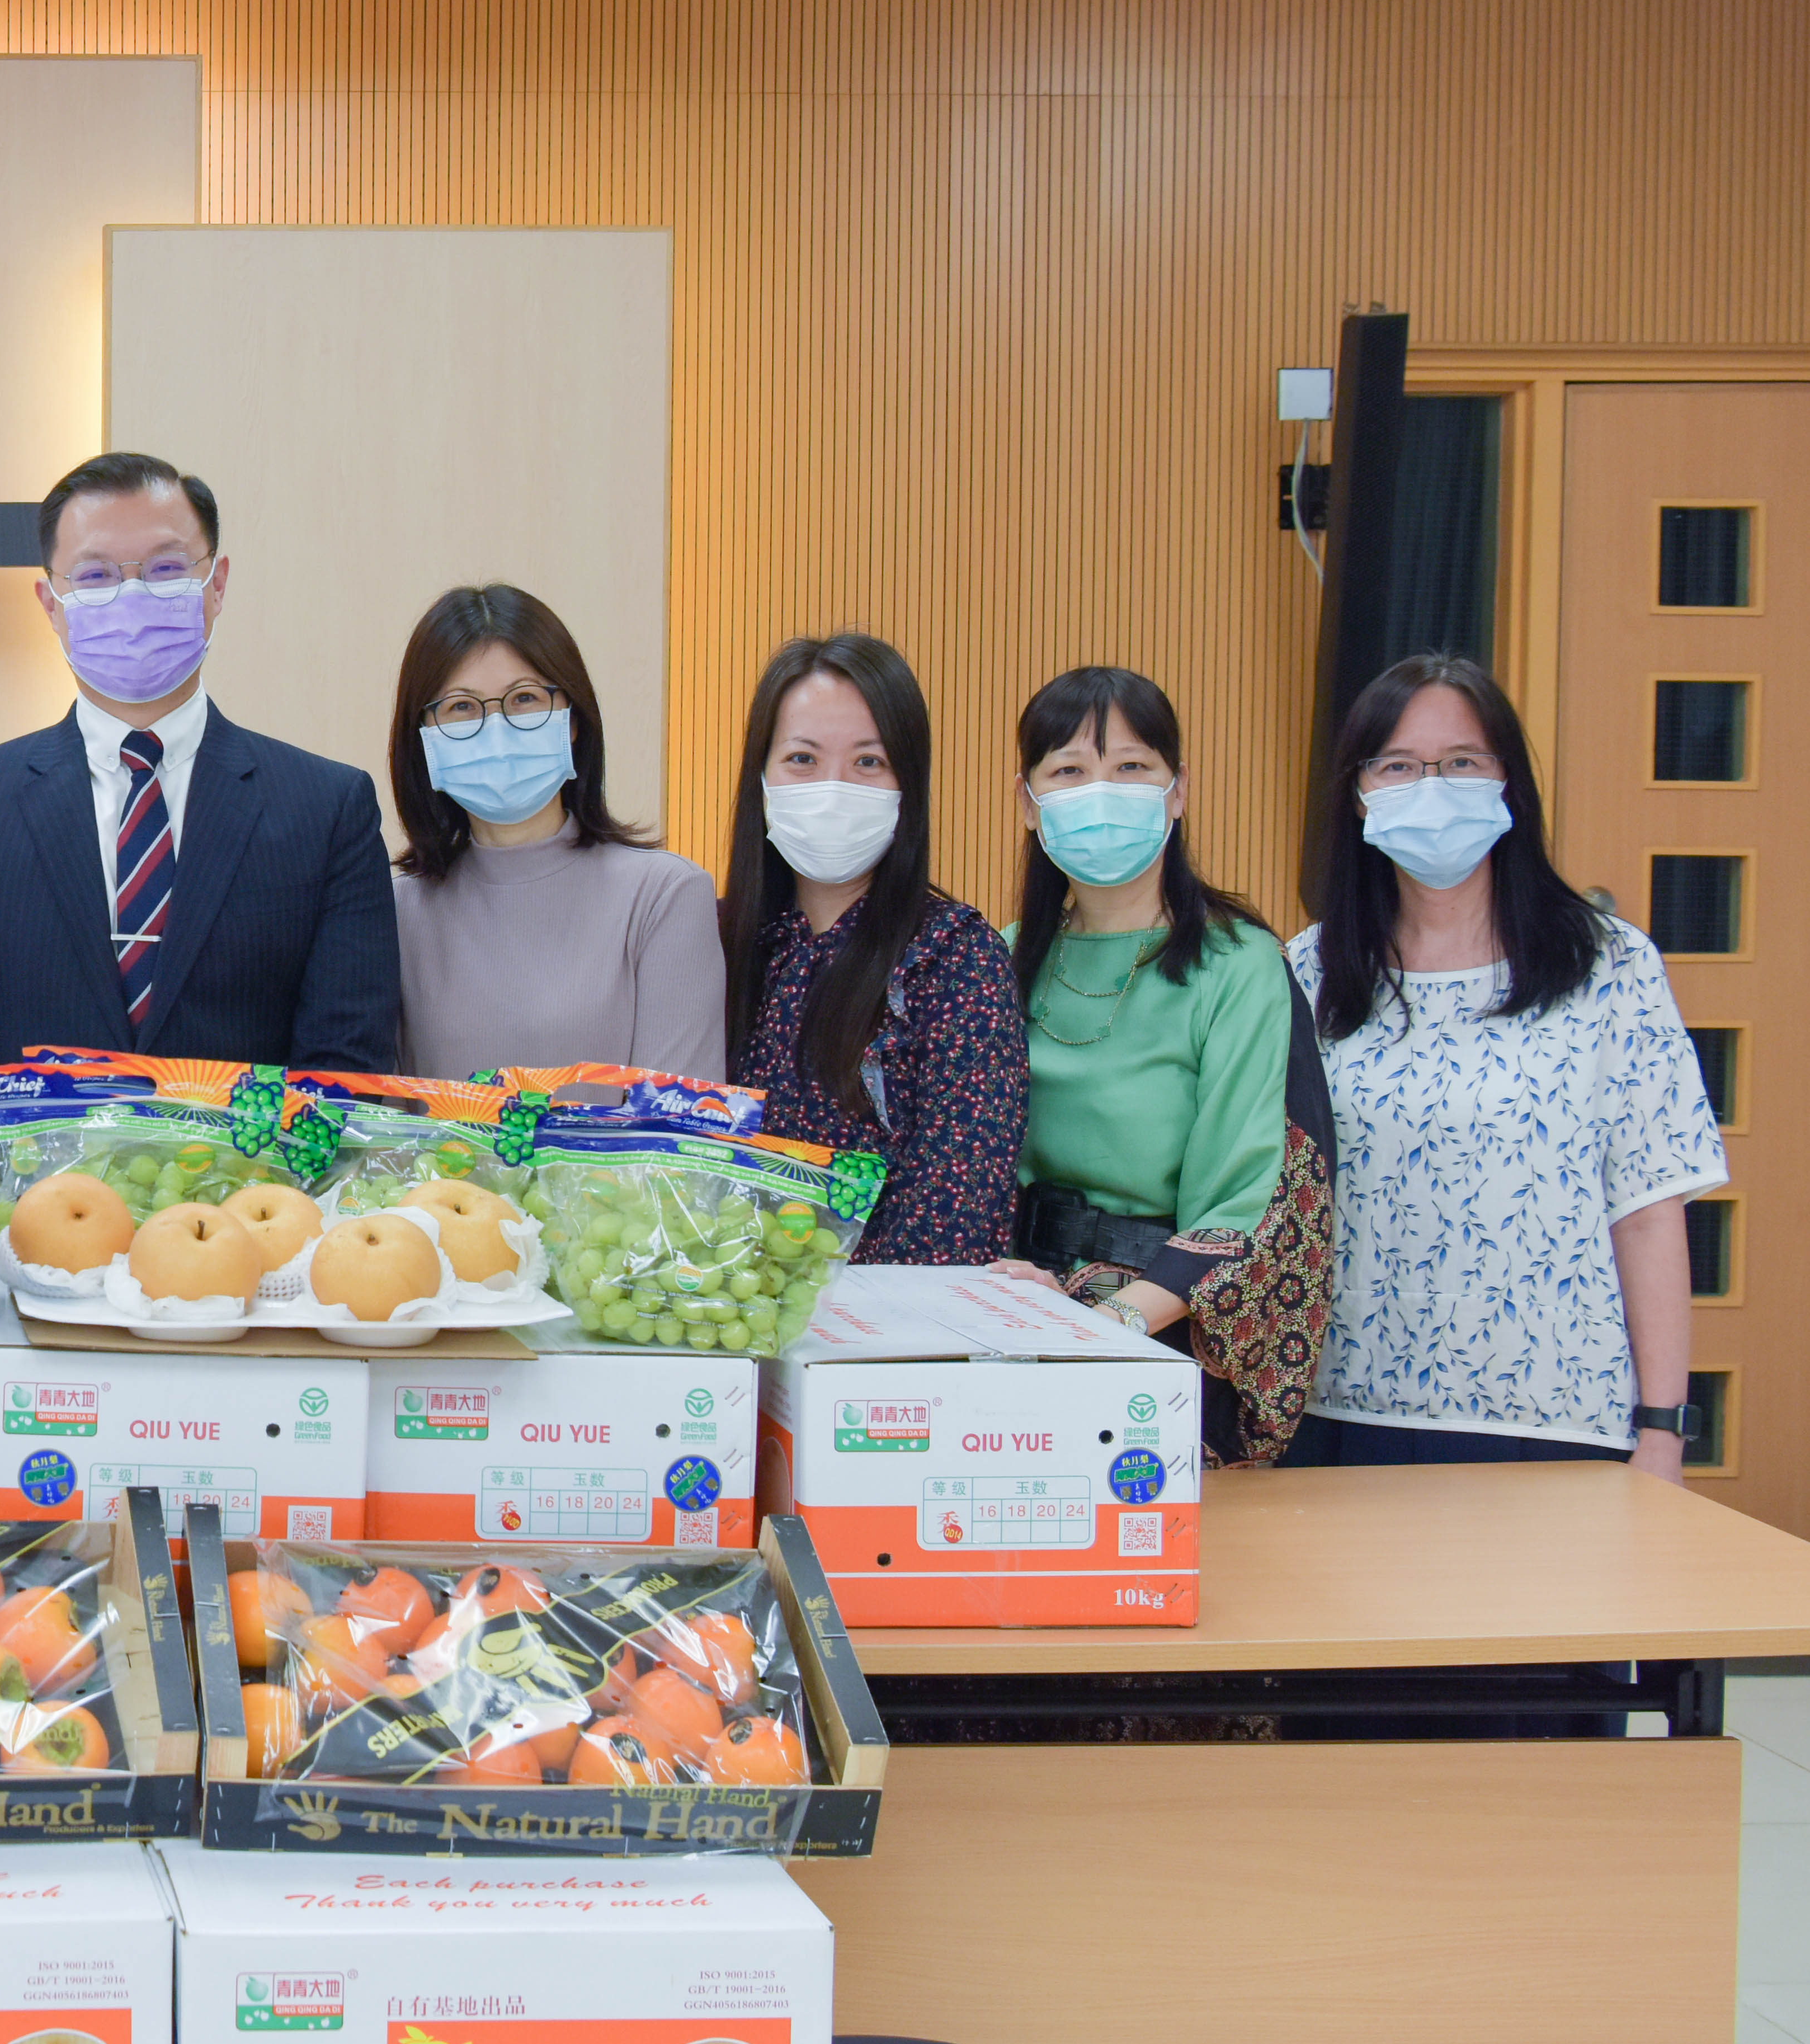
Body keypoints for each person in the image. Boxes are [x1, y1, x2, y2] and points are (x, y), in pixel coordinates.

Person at [0, 451, 400, 1179]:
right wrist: (26, 1210)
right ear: (49, 603)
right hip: (31, 1251)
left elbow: (344, 1059)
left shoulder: (326, 806)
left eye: (164, 569)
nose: (130, 596)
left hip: (252, 1250)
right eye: (94, 576)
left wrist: (248, 1210)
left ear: (215, 585)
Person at [1283, 653, 1723, 1474]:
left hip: (1556, 1419)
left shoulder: (1608, 964)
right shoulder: (1304, 972)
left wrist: (1662, 1426)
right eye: (1399, 766)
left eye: (1460, 763)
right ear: (1357, 791)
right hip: (1338, 1412)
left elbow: (1647, 1206)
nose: (1431, 786)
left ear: (1507, 784)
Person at [987, 666, 1333, 1464]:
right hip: (1010, 1325)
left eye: (1131, 767)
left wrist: (1107, 1326)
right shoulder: (999, 958)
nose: (1101, 791)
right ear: (1028, 801)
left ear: (1176, 791)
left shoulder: (1236, 962)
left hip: (1165, 1338)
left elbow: (1249, 1189)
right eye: (1069, 771)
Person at [720, 633, 1024, 1265]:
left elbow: (957, 1201)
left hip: (882, 1338)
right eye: (802, 759)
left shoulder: (956, 957)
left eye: (868, 763)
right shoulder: (719, 944)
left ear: (907, 785)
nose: (833, 787)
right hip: (712, 1316)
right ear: (762, 778)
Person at [386, 583, 723, 1081]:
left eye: (524, 699)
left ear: (572, 719)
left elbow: (676, 1136)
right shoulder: (396, 910)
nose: (496, 729)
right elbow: (384, 1127)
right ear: (425, 738)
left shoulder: (664, 896)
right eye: (462, 706)